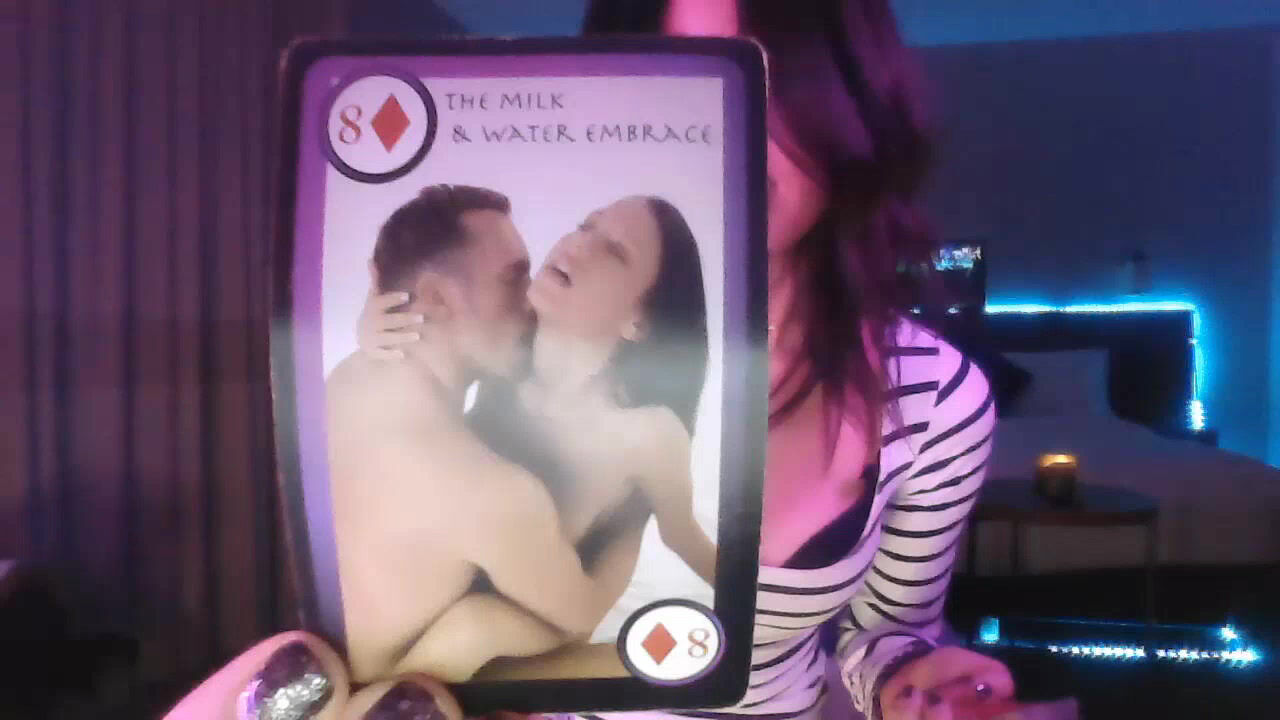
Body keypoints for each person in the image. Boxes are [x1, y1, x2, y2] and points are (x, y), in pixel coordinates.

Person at [167, 1, 1016, 718]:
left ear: (846, 103)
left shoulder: (932, 400)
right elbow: (429, 331)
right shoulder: (518, 350)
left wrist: (915, 685)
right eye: (680, 73)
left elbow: (887, 632)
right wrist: (375, 326)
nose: (720, 116)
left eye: (766, 74)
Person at [382, 194, 717, 683]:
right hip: (445, 582)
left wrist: (751, 607)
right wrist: (373, 329)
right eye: (584, 224)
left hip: (536, 620)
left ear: (638, 320)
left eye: (615, 251)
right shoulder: (501, 359)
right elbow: (422, 350)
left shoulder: (645, 433)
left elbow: (681, 535)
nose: (578, 244)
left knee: (469, 630)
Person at [325, 184, 623, 684]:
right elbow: (585, 615)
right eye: (514, 279)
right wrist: (641, 509)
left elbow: (385, 278)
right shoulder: (485, 491)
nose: (534, 301)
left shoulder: (348, 379)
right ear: (437, 297)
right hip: (406, 700)